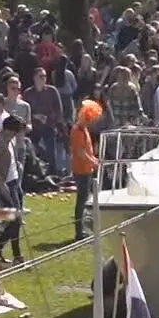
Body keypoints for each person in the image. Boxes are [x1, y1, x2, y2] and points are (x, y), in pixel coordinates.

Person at [0, 115, 29, 262]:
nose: (18, 135)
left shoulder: (9, 142)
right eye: (17, 132)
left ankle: (11, 253)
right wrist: (0, 187)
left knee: (16, 220)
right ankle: (4, 250)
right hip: (6, 186)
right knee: (15, 219)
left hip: (15, 182)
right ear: (10, 131)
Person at [71, 100, 101, 240]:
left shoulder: (84, 129)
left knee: (84, 199)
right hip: (81, 170)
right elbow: (80, 152)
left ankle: (82, 229)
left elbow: (87, 151)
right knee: (81, 201)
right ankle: (79, 232)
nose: (91, 122)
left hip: (86, 168)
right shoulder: (77, 131)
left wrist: (94, 160)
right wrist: (93, 162)